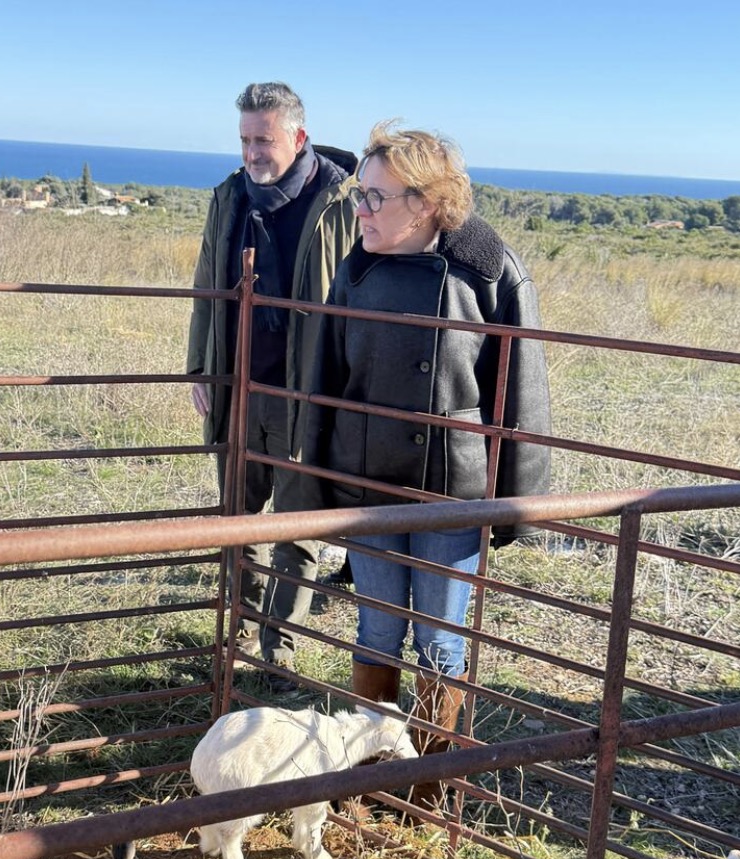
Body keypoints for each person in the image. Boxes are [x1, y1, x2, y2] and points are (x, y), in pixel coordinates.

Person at [304, 122, 552, 808]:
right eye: (360, 196)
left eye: (375, 198)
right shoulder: (356, 267)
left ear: (425, 202)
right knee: (377, 629)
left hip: (454, 490)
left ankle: (431, 785)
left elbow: (522, 388)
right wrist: (316, 485)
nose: (360, 211)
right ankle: (371, 772)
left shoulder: (490, 269)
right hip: (369, 480)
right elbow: (322, 377)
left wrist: (516, 503)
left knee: (440, 646)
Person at [186, 82, 359, 691]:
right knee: (237, 519)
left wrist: (345, 387)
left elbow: (357, 296)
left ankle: (277, 653)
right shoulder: (230, 197)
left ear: (298, 137)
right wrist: (199, 368)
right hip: (238, 386)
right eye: (244, 139)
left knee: (297, 526)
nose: (252, 152)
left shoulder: (342, 200)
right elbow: (209, 285)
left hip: (304, 391)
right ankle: (239, 633)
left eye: (263, 139)